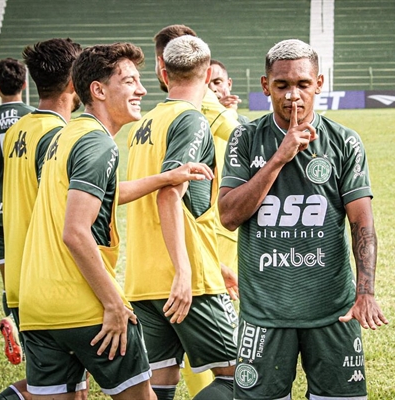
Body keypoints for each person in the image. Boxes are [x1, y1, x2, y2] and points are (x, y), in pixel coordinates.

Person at [17, 42, 213, 399]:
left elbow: (100, 195)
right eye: (130, 81)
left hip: (38, 309)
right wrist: (112, 302)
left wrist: (164, 178)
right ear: (99, 90)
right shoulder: (98, 144)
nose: (141, 89)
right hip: (85, 303)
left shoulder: (66, 136)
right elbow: (76, 232)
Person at [218, 39, 388, 399]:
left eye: (303, 84)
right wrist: (279, 158)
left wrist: (366, 292)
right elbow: (229, 215)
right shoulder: (245, 138)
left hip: (332, 311)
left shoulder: (345, 142)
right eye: (282, 85)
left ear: (319, 84)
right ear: (266, 86)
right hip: (264, 312)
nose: (292, 95)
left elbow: (362, 223)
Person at [125, 35, 237, 400]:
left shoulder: (144, 124)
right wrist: (186, 271)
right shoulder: (193, 121)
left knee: (161, 382)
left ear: (162, 71)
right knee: (242, 374)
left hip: (143, 280)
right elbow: (169, 194)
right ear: (208, 79)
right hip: (186, 281)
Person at [0, 37, 84, 400]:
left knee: (67, 389)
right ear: (72, 83)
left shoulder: (19, 128)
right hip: (48, 281)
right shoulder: (57, 134)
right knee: (55, 392)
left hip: (19, 277)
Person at [0, 57, 34, 366]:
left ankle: (13, 324)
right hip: (26, 210)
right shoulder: (34, 118)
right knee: (34, 276)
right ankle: (35, 343)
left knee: (11, 285)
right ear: (24, 84)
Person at [208, 59, 250, 125]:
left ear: (229, 84)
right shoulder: (194, 122)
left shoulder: (245, 124)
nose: (212, 89)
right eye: (205, 84)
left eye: (217, 82)